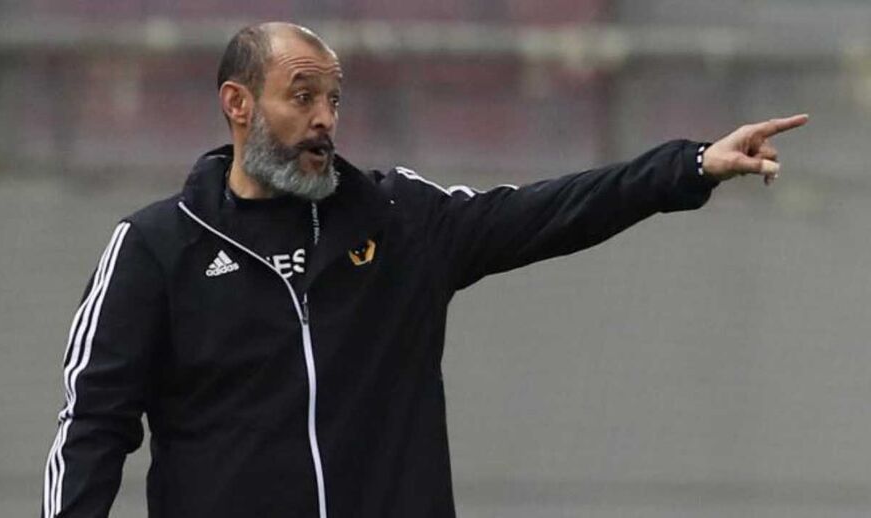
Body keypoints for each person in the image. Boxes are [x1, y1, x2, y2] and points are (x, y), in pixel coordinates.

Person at [41, 21, 808, 518]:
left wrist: (689, 166)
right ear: (237, 104)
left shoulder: (398, 220)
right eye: (301, 96)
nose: (324, 119)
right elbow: (93, 425)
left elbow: (547, 211)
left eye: (333, 99)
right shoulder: (156, 247)